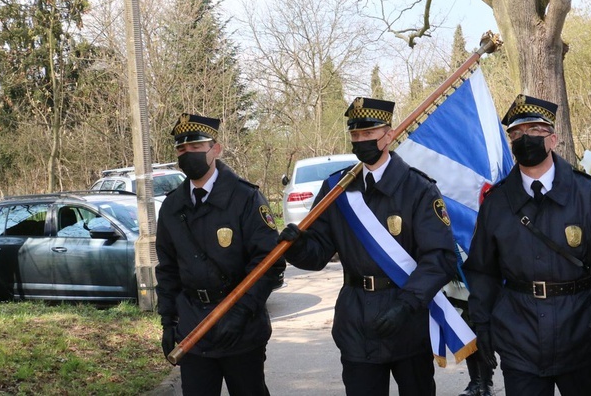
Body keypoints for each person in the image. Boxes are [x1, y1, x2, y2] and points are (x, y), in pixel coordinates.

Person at [463, 94, 591, 396]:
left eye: (535, 130)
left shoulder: (589, 195)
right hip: (519, 335)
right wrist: (482, 323)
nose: (526, 138)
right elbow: (482, 270)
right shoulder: (496, 203)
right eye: (517, 133)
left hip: (580, 331)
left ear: (553, 139)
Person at [278, 97, 458, 396]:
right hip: (356, 320)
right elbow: (318, 253)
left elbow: (439, 257)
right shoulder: (337, 188)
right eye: (355, 135)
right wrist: (295, 246)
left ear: (388, 135)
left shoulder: (418, 188)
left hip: (407, 318)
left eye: (368, 134)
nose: (361, 141)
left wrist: (407, 304)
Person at [155, 113, 285, 396]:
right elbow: (167, 270)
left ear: (215, 149)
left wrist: (240, 313)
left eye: (196, 147)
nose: (187, 154)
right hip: (194, 328)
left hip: (242, 326)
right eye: (181, 149)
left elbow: (268, 262)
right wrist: (168, 321)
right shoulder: (172, 207)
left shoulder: (245, 198)